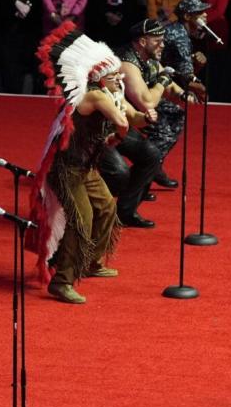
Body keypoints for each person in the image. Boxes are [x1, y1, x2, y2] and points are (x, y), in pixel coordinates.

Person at [31, 21, 157, 303]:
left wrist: (145, 115)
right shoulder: (95, 95)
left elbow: (130, 116)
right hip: (65, 168)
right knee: (82, 218)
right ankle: (62, 280)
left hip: (86, 167)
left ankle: (89, 261)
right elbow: (123, 121)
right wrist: (126, 125)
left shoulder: (110, 94)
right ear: (100, 77)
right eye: (114, 75)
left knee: (107, 208)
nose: (119, 80)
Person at [101, 19, 192, 227]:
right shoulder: (126, 63)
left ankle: (125, 212)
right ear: (142, 41)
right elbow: (147, 101)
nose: (162, 44)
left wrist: (185, 94)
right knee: (120, 174)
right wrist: (162, 83)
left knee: (151, 155)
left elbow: (132, 111)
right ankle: (97, 203)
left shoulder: (150, 59)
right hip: (95, 129)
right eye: (157, 40)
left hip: (120, 121)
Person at [152, 0, 209, 187]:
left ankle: (152, 167)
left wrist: (196, 67)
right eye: (199, 12)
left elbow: (183, 72)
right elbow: (186, 77)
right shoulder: (179, 37)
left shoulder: (179, 31)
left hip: (159, 81)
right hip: (150, 84)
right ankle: (144, 174)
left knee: (171, 123)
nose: (205, 15)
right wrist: (201, 89)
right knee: (168, 128)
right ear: (187, 16)